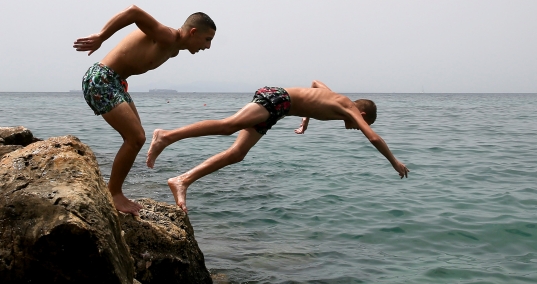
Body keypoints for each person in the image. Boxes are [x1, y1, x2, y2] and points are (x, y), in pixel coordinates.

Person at [146, 80, 409, 211]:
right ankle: (166, 136)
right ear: (363, 117)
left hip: (279, 109)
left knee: (237, 153)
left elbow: (317, 84)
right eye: (363, 123)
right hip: (277, 99)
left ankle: (182, 180)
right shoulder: (350, 109)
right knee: (229, 126)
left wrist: (306, 117)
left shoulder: (340, 100)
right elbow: (373, 138)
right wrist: (394, 162)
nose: (356, 128)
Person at [74, 6, 217, 215]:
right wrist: (101, 36)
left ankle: (114, 190)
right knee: (136, 138)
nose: (209, 46)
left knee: (136, 138)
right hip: (102, 79)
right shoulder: (166, 36)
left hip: (115, 82)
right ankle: (113, 193)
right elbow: (133, 12)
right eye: (207, 39)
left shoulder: (174, 49)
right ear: (193, 32)